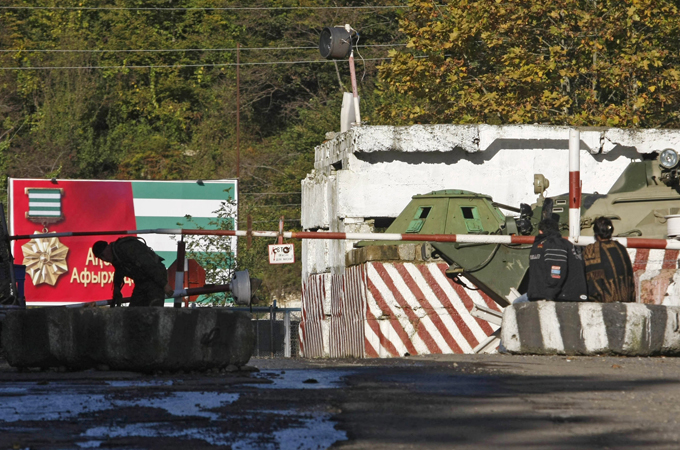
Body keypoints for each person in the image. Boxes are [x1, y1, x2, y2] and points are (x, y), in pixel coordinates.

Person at [515, 218, 588, 303]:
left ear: (540, 231)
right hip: (569, 293)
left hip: (560, 295)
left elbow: (556, 270)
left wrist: (549, 295)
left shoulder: (552, 244)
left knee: (517, 304)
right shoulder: (568, 244)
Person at [92, 237, 173, 307]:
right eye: (101, 258)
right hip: (141, 281)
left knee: (155, 309)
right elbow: (119, 272)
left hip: (155, 277)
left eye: (103, 255)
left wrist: (164, 284)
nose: (104, 259)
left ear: (108, 247)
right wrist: (117, 289)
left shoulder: (127, 248)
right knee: (134, 313)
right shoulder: (116, 256)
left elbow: (149, 265)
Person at [583, 217, 635, 303]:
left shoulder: (590, 250)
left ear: (596, 234)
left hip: (602, 305)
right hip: (627, 302)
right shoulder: (621, 248)